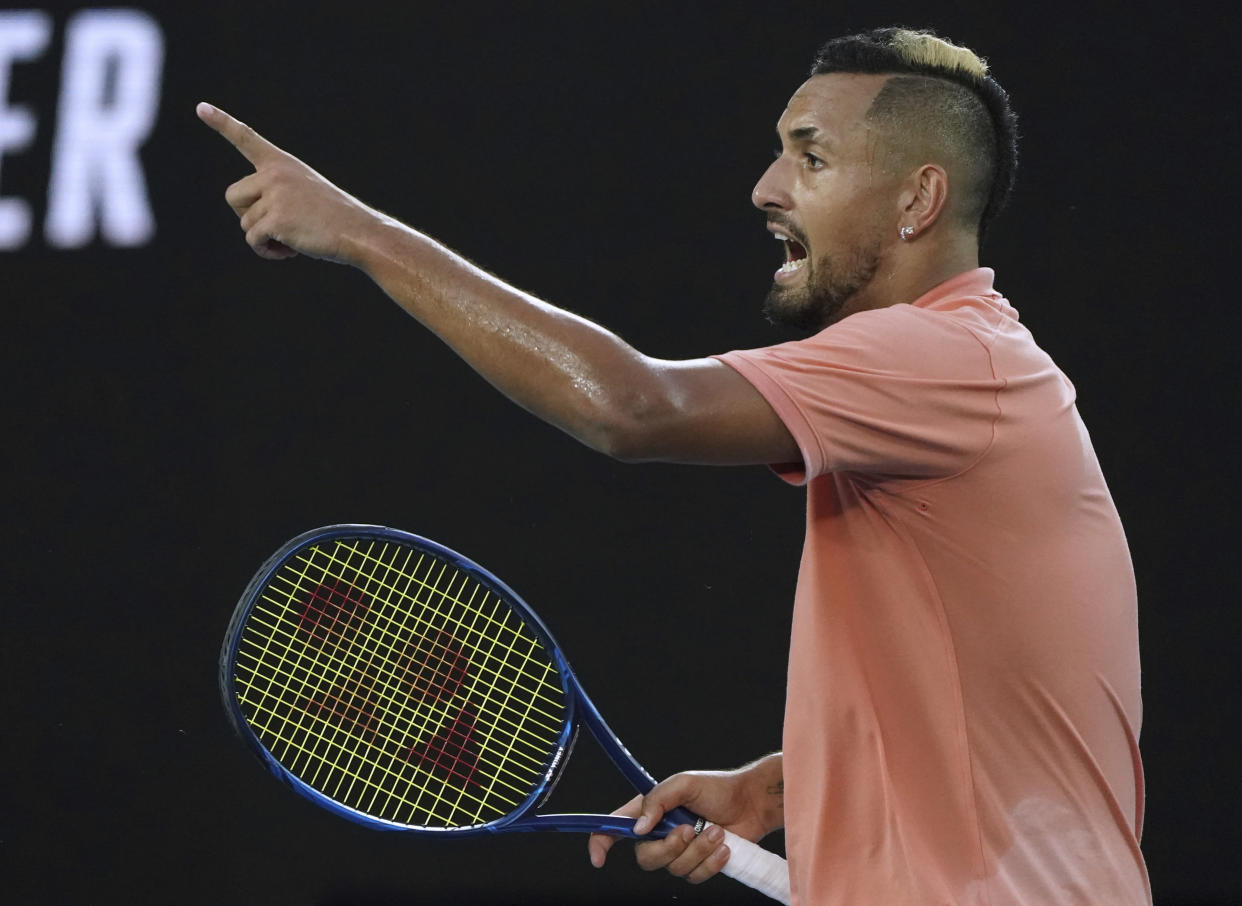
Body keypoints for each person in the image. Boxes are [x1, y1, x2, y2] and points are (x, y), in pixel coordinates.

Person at [199, 26, 1150, 906]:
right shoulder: (968, 374)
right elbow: (997, 699)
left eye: (811, 157)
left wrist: (359, 231)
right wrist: (788, 785)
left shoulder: (941, 359)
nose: (767, 187)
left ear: (918, 201)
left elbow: (628, 408)